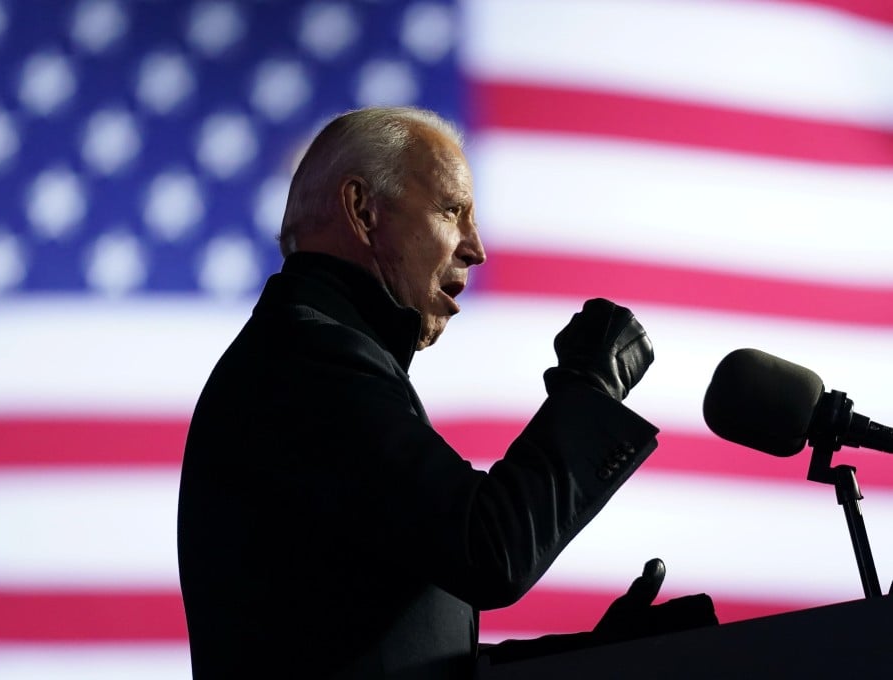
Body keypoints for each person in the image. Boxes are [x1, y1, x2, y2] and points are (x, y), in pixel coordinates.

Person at [176, 106, 715, 679]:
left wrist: (592, 659)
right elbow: (487, 551)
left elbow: (401, 660)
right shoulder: (304, 361)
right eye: (452, 211)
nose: (476, 248)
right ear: (363, 210)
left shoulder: (307, 356)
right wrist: (590, 389)